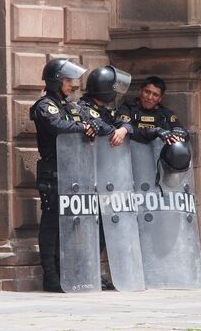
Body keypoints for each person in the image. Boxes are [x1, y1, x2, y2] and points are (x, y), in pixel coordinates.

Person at [30, 58, 97, 292]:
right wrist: (82, 129)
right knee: (51, 224)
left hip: (74, 172)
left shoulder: (71, 106)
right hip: (53, 172)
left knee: (71, 224)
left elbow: (91, 122)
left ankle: (66, 271)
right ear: (56, 81)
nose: (72, 84)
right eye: (68, 80)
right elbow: (57, 126)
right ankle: (51, 275)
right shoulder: (45, 105)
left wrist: (91, 128)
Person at [77, 65, 134, 290]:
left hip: (109, 181)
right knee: (88, 229)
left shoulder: (108, 110)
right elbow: (98, 127)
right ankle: (86, 271)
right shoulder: (83, 108)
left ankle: (98, 271)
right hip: (89, 178)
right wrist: (114, 131)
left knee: (105, 229)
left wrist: (125, 129)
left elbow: (128, 124)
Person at [115, 76, 188, 145]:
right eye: (147, 92)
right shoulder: (127, 108)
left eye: (155, 95)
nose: (150, 97)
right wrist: (154, 132)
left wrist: (181, 134)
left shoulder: (165, 113)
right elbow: (127, 129)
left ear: (160, 99)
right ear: (140, 91)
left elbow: (183, 132)